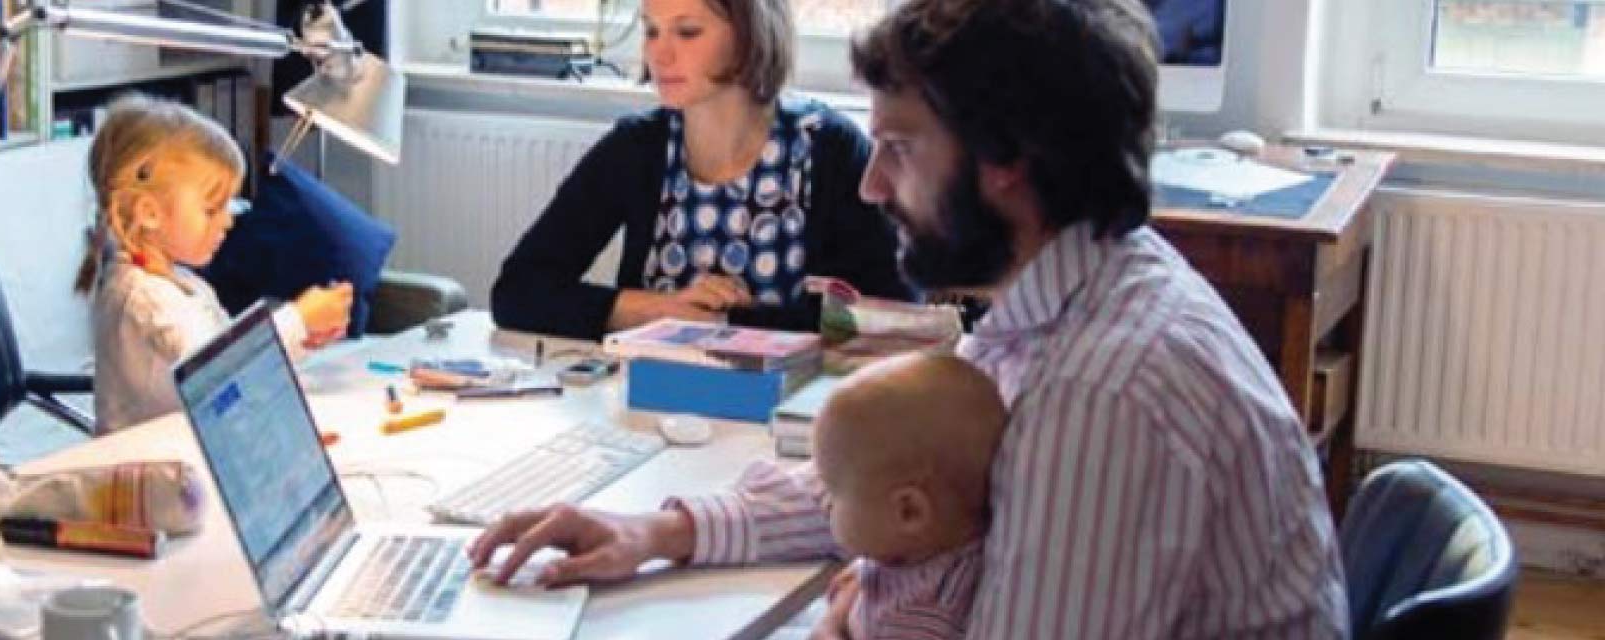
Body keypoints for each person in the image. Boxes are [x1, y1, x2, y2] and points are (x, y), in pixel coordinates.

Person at [468, 0, 1349, 637]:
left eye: (898, 148)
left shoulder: (1101, 396)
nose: (871, 187)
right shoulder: (1075, 295)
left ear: (1008, 161)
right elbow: (899, 478)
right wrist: (663, 531)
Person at [490, 0, 912, 341]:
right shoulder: (636, 147)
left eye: (687, 32)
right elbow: (518, 292)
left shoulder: (830, 150)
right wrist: (660, 309)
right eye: (652, 30)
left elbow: (890, 318)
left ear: (750, 34)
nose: (658, 52)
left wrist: (732, 324)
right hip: (650, 399)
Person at [74, 94, 353, 434]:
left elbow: (234, 370)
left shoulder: (186, 284)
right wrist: (297, 320)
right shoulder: (143, 300)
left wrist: (301, 339)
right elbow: (217, 372)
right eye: (211, 210)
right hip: (153, 473)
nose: (228, 221)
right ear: (149, 213)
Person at [807, 351, 1005, 639]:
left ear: (909, 511)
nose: (825, 505)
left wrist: (828, 629)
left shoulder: (919, 622)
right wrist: (863, 576)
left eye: (835, 492)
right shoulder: (928, 555)